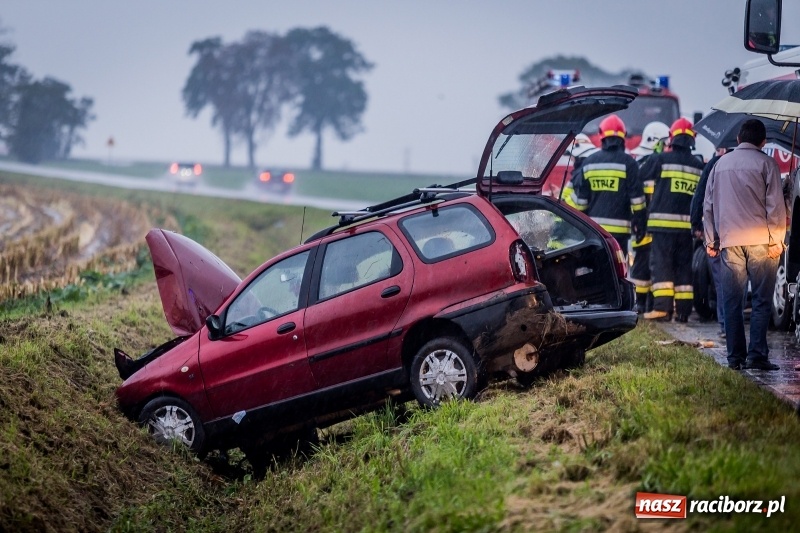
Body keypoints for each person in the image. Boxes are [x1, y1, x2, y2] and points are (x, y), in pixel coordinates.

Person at [703, 118, 786, 371]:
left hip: (730, 242)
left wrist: (711, 239)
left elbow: (709, 205)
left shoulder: (719, 165)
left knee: (732, 301)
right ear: (763, 142)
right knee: (761, 300)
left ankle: (735, 358)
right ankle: (757, 356)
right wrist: (778, 241)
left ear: (738, 139)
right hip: (762, 241)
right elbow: (775, 207)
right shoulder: (767, 164)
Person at [641, 118, 705, 322]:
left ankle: (662, 308)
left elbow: (640, 176)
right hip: (686, 229)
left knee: (662, 265)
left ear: (672, 138)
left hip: (662, 227)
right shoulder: (698, 165)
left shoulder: (660, 159)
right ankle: (684, 311)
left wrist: (655, 153)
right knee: (683, 269)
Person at [572, 115, 647, 255]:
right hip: (619, 235)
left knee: (597, 273)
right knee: (617, 272)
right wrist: (640, 224)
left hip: (595, 233)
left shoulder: (589, 163)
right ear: (622, 137)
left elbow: (581, 204)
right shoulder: (629, 163)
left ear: (601, 136)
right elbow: (637, 201)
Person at [690, 147, 731, 337]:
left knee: (722, 279)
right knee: (743, 279)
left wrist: (696, 223)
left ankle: (726, 325)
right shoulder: (760, 162)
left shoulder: (716, 164)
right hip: (747, 230)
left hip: (716, 229)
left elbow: (700, 195)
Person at [630, 121, 669, 313]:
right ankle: (647, 305)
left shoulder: (639, 164)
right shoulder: (661, 163)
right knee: (652, 266)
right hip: (655, 224)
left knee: (642, 264)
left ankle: (641, 305)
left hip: (643, 223)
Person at [562, 133, 599, 209]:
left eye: (572, 156)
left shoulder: (582, 172)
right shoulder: (584, 170)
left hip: (573, 216)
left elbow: (579, 201)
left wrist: (562, 205)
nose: (571, 159)